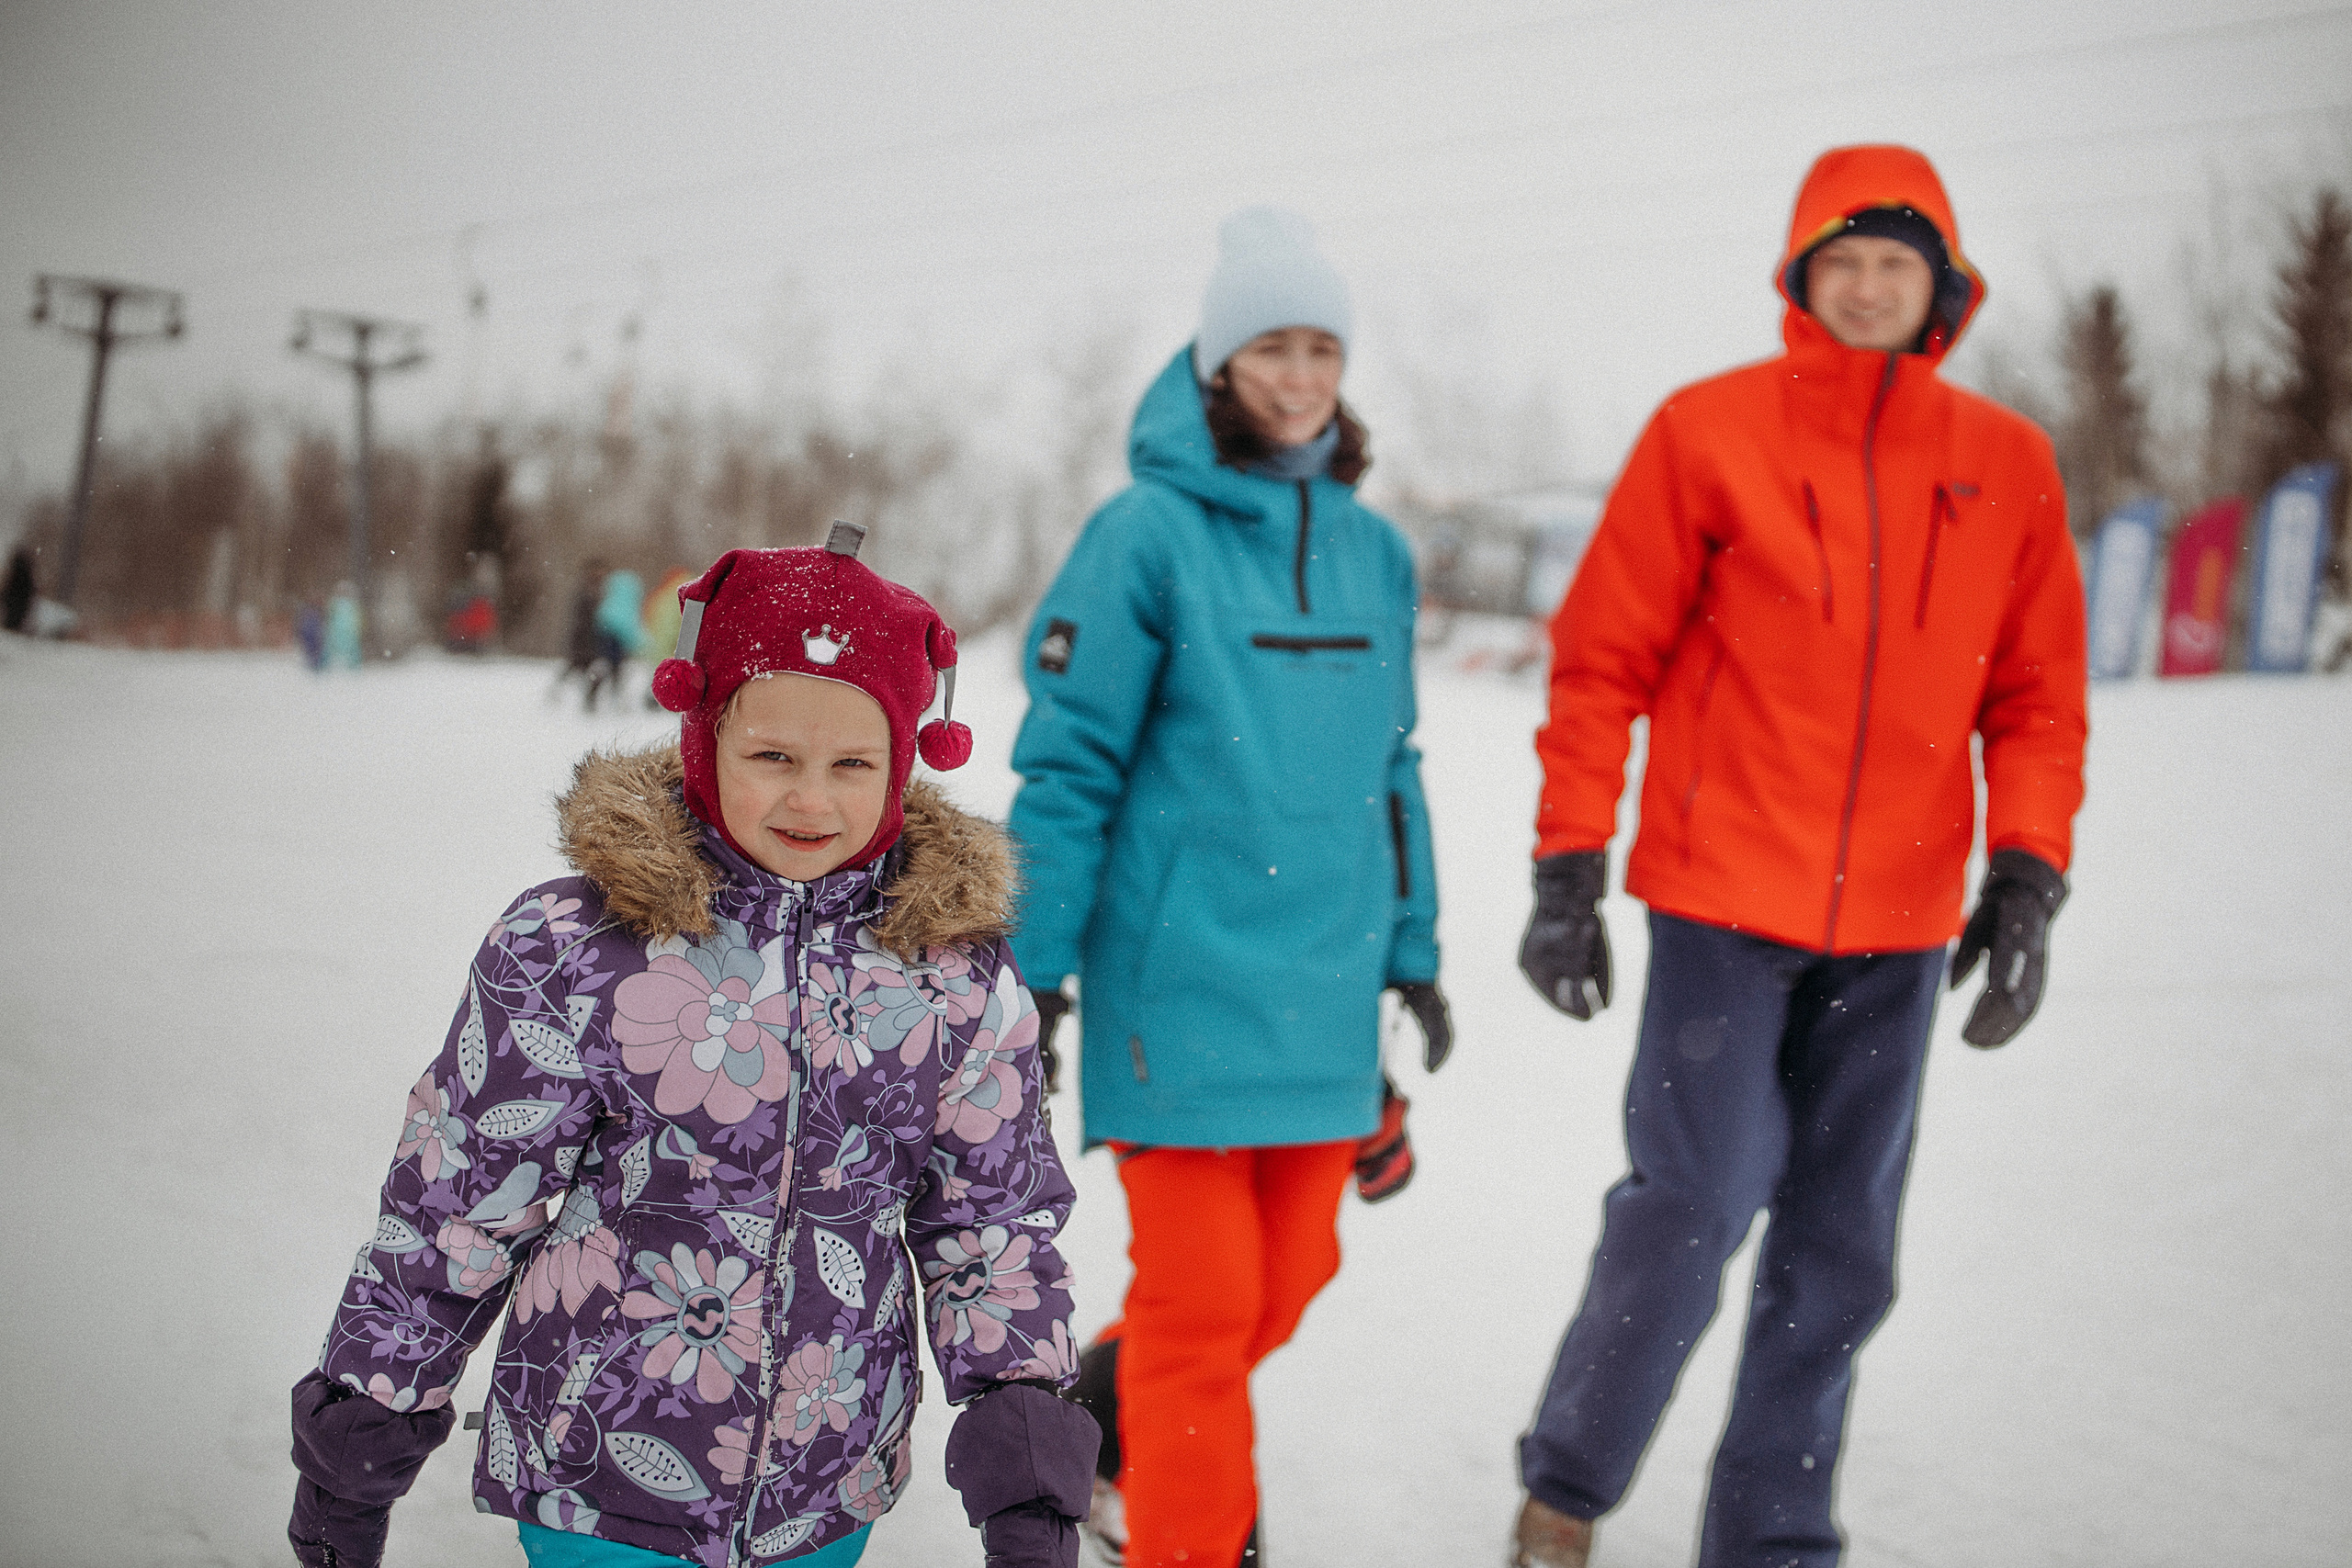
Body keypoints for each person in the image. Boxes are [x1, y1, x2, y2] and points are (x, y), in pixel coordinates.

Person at [288, 527, 1098, 1568]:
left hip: (825, 1484)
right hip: (594, 1468)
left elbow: (990, 1229)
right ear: (703, 738)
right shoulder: (576, 948)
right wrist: (357, 1443)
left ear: (904, 763)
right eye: (772, 757)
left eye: (854, 763)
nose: (812, 799)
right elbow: (459, 1204)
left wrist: (1027, 1481)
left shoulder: (951, 976)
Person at [1510, 144, 2088, 1568]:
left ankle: (1771, 1537)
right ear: (1802, 276)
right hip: (1721, 900)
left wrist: (2027, 871)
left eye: (1900, 263)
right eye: (1846, 260)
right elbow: (1602, 664)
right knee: (1691, 1207)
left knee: (1841, 1244)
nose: (1872, 285)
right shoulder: (1709, 432)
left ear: (1942, 287)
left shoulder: (2005, 462)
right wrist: (1568, 867)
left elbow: (2037, 697)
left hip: (1898, 916)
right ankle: (1567, 1489)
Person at [1006, 207, 1452, 1568]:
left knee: (1287, 1277)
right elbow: (1071, 763)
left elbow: (1395, 765)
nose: (1302, 372)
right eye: (1273, 345)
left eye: (1323, 346)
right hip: (1179, 978)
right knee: (1204, 1308)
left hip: (1323, 986)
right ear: (1219, 363)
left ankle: (1095, 1406)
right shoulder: (1145, 534)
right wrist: (1033, 962)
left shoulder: (1376, 552)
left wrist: (1415, 947)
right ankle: (1194, 1541)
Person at [3, 547, 34, 634]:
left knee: (12, 620)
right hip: (20, 602)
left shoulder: (16, 575)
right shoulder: (26, 576)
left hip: (15, 601)